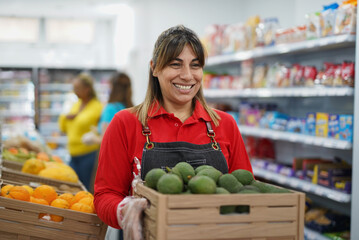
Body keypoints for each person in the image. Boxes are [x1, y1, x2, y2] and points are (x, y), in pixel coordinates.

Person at [94, 25, 253, 239]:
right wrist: (125, 210)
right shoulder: (125, 123)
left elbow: (246, 190)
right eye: (175, 65)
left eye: (195, 65)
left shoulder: (225, 124)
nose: (187, 76)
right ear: (154, 68)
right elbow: (105, 195)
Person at [58, 73, 103, 190]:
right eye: (74, 88)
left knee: (85, 188)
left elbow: (102, 129)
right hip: (73, 153)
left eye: (77, 88)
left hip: (88, 154)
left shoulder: (97, 106)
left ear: (87, 89)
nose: (74, 91)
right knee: (72, 186)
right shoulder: (75, 105)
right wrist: (66, 117)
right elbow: (63, 128)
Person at [82, 72, 134, 145]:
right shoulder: (131, 107)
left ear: (113, 88)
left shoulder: (110, 109)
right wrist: (98, 129)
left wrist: (92, 138)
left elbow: (105, 139)